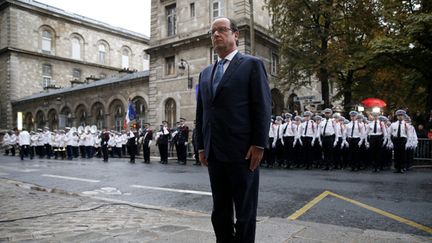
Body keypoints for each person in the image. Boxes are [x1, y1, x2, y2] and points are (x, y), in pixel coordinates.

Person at [196, 17, 271, 243]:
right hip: (214, 153)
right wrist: (200, 146)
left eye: (222, 30)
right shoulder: (206, 73)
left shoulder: (251, 64)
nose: (216, 35)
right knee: (220, 211)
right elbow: (202, 113)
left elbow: (262, 106)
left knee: (245, 212)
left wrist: (259, 144)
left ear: (235, 35)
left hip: (243, 153)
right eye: (212, 32)